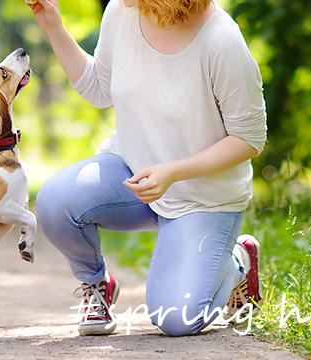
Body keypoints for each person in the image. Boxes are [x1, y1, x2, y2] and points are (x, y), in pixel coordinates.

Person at [27, 0, 267, 336]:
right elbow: (99, 89)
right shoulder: (122, 12)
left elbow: (249, 139)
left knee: (177, 320)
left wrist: (174, 172)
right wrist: (53, 26)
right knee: (55, 201)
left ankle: (239, 260)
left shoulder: (221, 40)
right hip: (132, 173)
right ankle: (97, 285)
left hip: (203, 197)